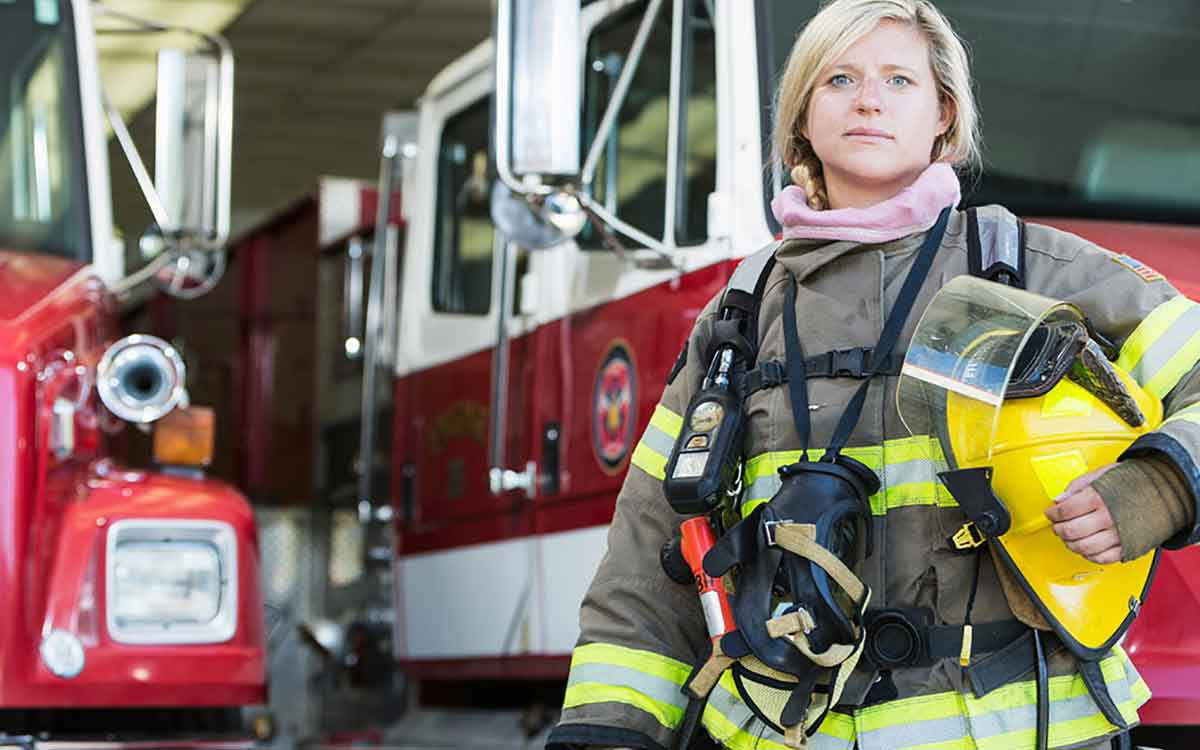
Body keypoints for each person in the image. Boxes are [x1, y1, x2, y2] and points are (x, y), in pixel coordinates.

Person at [546, 1, 1200, 749]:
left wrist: (1161, 486)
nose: (868, 100)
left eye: (898, 80)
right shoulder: (741, 313)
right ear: (801, 118)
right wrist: (609, 728)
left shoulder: (1031, 270)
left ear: (943, 116)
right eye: (840, 79)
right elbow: (651, 543)